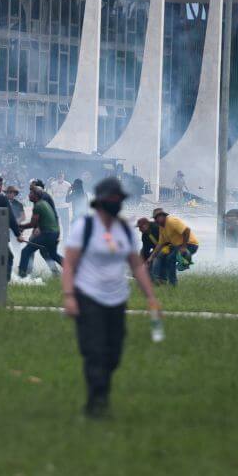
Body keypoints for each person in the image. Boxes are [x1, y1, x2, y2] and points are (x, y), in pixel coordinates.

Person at [61, 177, 161, 419]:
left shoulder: (125, 229)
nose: (116, 203)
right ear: (102, 202)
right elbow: (69, 265)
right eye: (112, 200)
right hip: (88, 297)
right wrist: (69, 296)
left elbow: (136, 266)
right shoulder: (84, 227)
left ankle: (101, 391)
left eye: (119, 200)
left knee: (113, 353)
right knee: (94, 350)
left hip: (117, 300)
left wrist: (151, 297)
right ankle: (97, 399)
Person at [18, 186, 63, 277]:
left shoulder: (38, 206)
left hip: (47, 234)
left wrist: (20, 227)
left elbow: (32, 224)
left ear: (36, 195)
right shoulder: (44, 203)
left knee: (26, 251)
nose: (29, 195)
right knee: (52, 254)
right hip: (54, 233)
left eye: (31, 193)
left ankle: (22, 276)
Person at [150, 208, 199, 287]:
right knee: (161, 256)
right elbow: (160, 244)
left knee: (170, 259)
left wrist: (183, 247)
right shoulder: (162, 228)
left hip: (190, 244)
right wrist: (151, 257)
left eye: (158, 217)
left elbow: (187, 230)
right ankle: (162, 280)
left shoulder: (171, 221)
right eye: (155, 218)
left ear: (163, 216)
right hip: (177, 246)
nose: (156, 220)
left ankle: (173, 283)